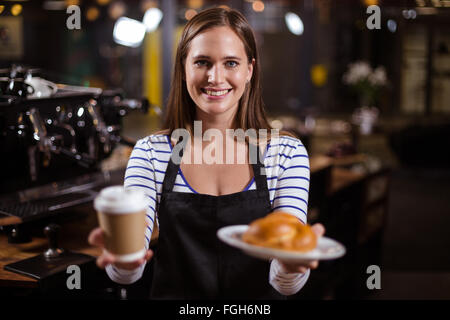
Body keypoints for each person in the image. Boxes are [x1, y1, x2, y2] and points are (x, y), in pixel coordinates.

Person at [88, 7, 325, 299]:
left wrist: (292, 266)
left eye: (230, 63)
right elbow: (128, 269)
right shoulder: (151, 154)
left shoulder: (286, 154)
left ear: (249, 70)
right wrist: (123, 257)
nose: (215, 77)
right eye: (202, 62)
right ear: (184, 67)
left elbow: (285, 284)